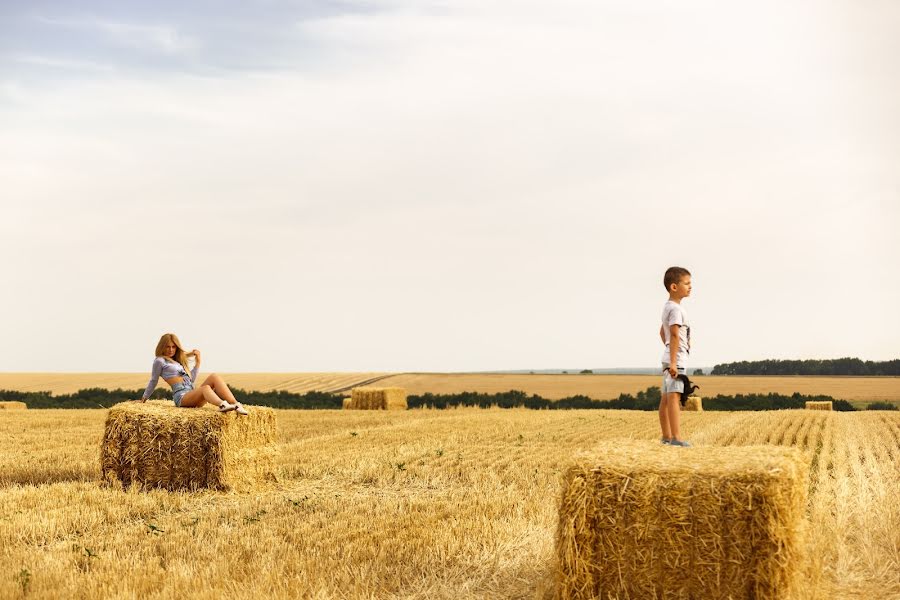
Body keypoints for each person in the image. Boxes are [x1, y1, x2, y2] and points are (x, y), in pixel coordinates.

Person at [137, 333, 249, 415]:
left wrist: (198, 362)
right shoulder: (160, 361)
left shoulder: (178, 362)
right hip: (182, 397)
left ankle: (236, 404)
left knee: (214, 376)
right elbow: (153, 380)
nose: (171, 349)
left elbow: (191, 380)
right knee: (205, 388)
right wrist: (144, 398)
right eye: (168, 346)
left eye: (173, 346)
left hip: (191, 393)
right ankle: (222, 405)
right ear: (162, 347)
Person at [659, 267, 691, 447]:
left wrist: (668, 351)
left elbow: (661, 332)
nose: (690, 287)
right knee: (674, 397)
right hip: (676, 360)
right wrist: (673, 360)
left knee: (665, 398)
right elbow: (673, 334)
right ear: (674, 287)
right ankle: (676, 438)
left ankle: (666, 436)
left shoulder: (668, 307)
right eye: (686, 283)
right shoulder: (677, 310)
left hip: (670, 357)